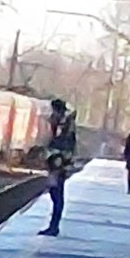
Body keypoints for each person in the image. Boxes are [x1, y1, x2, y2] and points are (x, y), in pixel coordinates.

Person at [41, 99, 76, 236]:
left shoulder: (65, 126)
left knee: (57, 195)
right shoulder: (65, 124)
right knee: (55, 195)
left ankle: (54, 226)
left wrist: (57, 160)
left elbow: (63, 145)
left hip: (58, 164)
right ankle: (53, 225)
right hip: (57, 163)